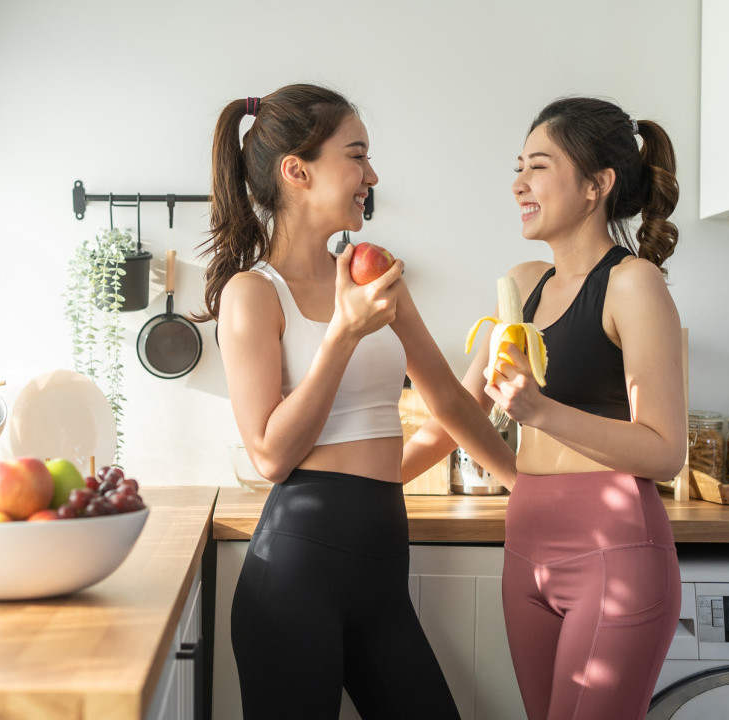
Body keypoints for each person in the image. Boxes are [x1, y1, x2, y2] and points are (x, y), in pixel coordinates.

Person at [201, 84, 515, 720]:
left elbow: (450, 401)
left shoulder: (375, 274)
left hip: (380, 574)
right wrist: (343, 333)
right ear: (297, 171)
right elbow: (270, 453)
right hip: (295, 573)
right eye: (357, 155)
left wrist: (526, 487)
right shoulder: (253, 294)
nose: (371, 175)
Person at [402, 96, 686, 720]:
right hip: (527, 542)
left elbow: (665, 450)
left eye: (538, 166)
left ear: (597, 185)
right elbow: (456, 409)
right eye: (518, 167)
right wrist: (371, 481)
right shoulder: (523, 284)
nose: (518, 184)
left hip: (613, 551)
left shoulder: (633, 283)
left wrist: (539, 411)